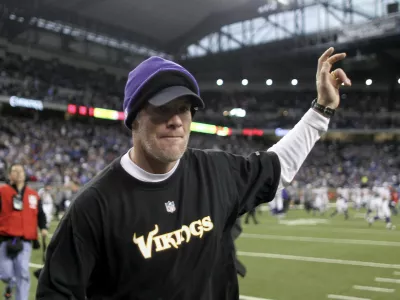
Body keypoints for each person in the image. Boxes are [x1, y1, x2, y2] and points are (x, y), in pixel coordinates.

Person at [36, 47, 351, 300]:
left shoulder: (216, 170)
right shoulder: (94, 207)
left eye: (184, 109)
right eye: (162, 108)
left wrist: (322, 108)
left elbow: (277, 166)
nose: (176, 120)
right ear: (133, 119)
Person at [0, 163, 48, 300]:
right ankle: (10, 285)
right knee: (6, 274)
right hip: (4, 238)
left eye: (21, 171)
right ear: (10, 175)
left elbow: (41, 214)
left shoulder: (33, 195)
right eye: (15, 171)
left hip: (25, 240)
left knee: (23, 272)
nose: (19, 173)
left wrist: (43, 228)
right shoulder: (2, 192)